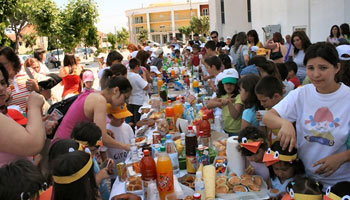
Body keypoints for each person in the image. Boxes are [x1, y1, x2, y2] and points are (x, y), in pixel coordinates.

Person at [263, 42, 350, 190]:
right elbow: (269, 117)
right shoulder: (302, 94)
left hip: (340, 185)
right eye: (311, 68)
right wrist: (285, 123)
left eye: (323, 68)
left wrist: (341, 158)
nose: (316, 74)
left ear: (337, 67)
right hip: (306, 182)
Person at [54, 70, 132, 151]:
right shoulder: (100, 100)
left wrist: (105, 131)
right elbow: (102, 138)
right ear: (116, 90)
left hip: (63, 144)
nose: (124, 103)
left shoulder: (95, 94)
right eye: (125, 98)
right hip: (65, 147)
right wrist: (125, 146)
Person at [71, 122, 112, 200]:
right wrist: (99, 177)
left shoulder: (89, 155)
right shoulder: (76, 165)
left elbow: (93, 170)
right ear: (82, 147)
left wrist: (104, 166)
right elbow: (82, 191)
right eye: (93, 149)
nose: (96, 152)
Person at [103, 103, 134, 185]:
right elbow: (103, 151)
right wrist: (107, 166)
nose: (123, 119)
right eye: (119, 117)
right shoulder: (106, 131)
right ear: (110, 116)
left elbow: (133, 144)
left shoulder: (127, 127)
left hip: (129, 167)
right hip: (115, 172)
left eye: (124, 117)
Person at [207, 68, 243, 136]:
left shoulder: (239, 96)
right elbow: (209, 105)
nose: (228, 86)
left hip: (237, 131)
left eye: (231, 84)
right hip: (225, 128)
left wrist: (229, 103)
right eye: (226, 83)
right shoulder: (223, 95)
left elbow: (235, 115)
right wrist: (222, 103)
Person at [255, 76, 284, 145]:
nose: (262, 104)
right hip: (270, 147)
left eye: (264, 101)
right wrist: (261, 122)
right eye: (260, 101)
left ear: (276, 96)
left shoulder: (289, 110)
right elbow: (264, 134)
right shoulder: (268, 108)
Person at [127, 58, 149, 126]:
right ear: (137, 66)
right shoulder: (136, 76)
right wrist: (144, 77)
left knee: (132, 121)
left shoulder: (127, 74)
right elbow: (146, 87)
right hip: (138, 101)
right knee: (138, 122)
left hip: (131, 100)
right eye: (139, 66)